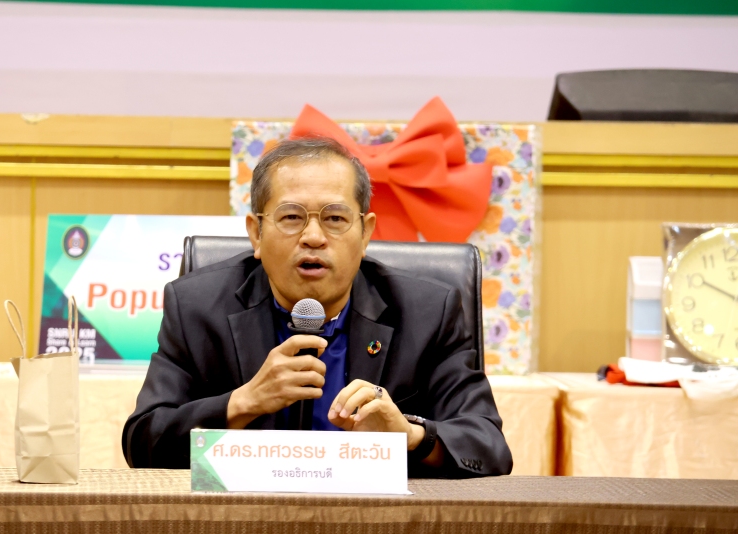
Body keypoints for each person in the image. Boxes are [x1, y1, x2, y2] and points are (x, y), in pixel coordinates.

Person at [122, 137, 513, 477]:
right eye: (291, 217)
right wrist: (241, 403)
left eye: (335, 218)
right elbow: (142, 442)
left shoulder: (427, 312)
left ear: (366, 233)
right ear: (256, 234)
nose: (313, 237)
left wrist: (409, 435)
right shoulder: (196, 307)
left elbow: (488, 447)